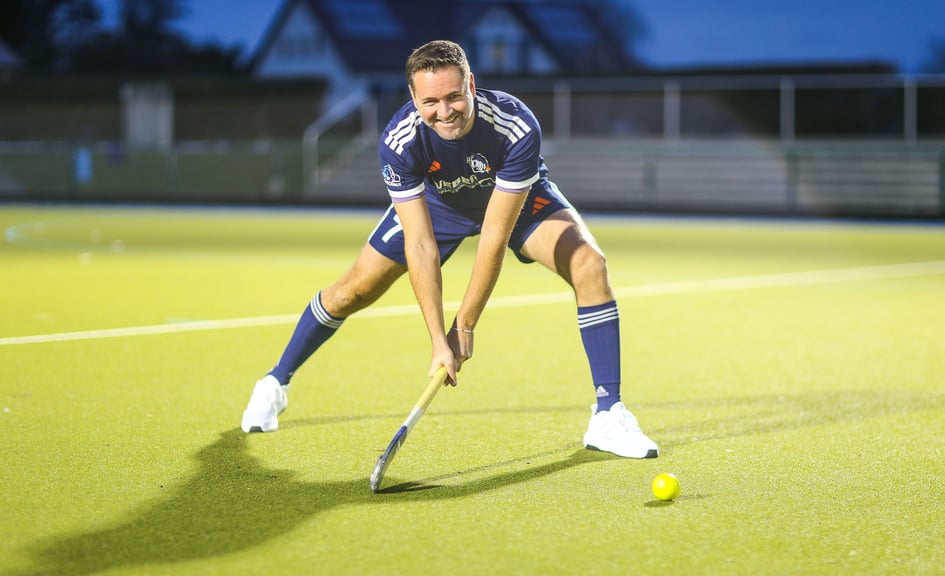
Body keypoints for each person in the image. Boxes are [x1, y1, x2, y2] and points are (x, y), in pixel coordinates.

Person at [241, 40, 658, 459]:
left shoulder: (515, 125)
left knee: (588, 263)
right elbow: (420, 245)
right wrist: (439, 339)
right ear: (413, 98)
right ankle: (275, 381)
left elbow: (494, 235)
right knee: (353, 290)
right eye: (431, 102)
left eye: (454, 96)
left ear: (471, 85)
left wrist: (464, 327)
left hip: (512, 201)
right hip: (438, 205)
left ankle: (608, 413)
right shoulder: (399, 142)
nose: (445, 112)